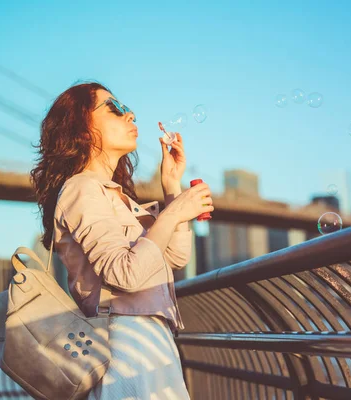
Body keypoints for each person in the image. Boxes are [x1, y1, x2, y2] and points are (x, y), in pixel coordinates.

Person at [30, 81, 213, 399]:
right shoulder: (81, 189)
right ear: (81, 128)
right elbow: (124, 274)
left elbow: (172, 260)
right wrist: (174, 213)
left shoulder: (116, 197)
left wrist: (172, 188)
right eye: (116, 109)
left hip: (150, 340)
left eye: (128, 109)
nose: (131, 115)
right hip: (123, 345)